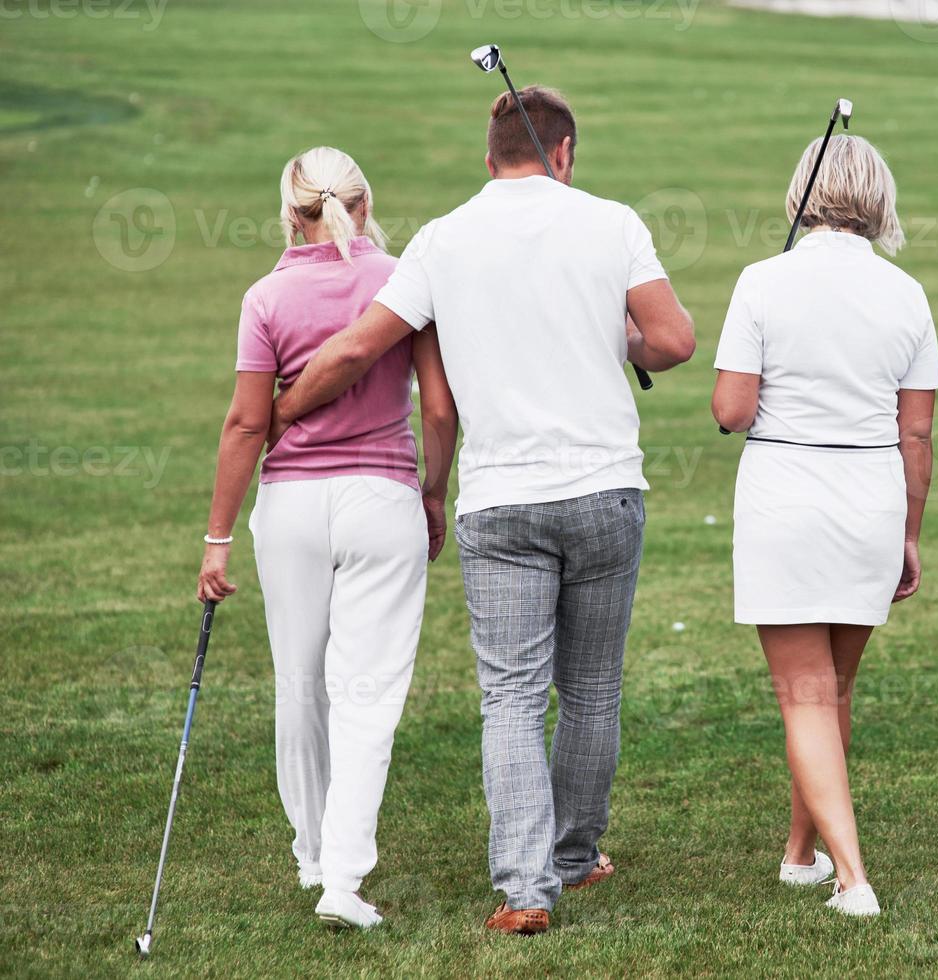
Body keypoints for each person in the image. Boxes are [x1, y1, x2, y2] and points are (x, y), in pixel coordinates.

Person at [269, 86, 696, 934]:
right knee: (593, 692)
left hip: (501, 502)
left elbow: (358, 348)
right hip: (606, 488)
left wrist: (282, 411)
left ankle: (525, 891)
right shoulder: (611, 222)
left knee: (510, 696)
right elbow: (674, 341)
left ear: (487, 155)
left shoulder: (441, 238)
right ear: (564, 153)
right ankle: (575, 857)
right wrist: (618, 338)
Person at [195, 146, 458, 931]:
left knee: (300, 685)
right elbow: (440, 411)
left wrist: (216, 539)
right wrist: (434, 493)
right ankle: (342, 877)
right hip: (383, 501)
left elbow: (248, 422)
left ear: (291, 212)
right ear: (365, 203)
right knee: (367, 695)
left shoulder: (264, 296)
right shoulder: (404, 279)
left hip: (292, 509)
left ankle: (314, 856)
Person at [711, 135, 938, 918]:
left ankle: (853, 878)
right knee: (831, 690)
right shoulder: (906, 292)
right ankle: (799, 853)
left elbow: (731, 412)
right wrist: (910, 534)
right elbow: (917, 434)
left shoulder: (761, 281)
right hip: (872, 500)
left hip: (787, 498)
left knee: (808, 697)